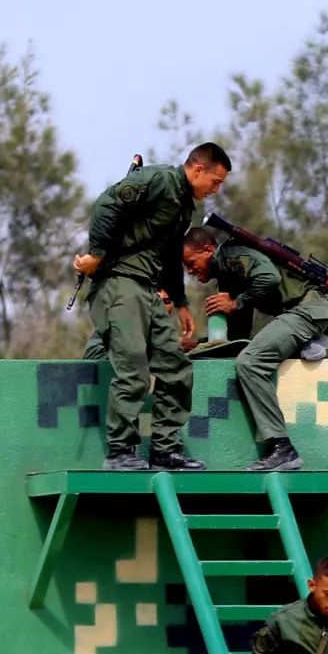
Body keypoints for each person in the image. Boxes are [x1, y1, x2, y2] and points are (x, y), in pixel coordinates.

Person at [75, 144, 232, 472]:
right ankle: (120, 451)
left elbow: (171, 254)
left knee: (176, 369)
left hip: (146, 288)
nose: (216, 189)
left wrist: (181, 302)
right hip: (119, 284)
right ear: (197, 170)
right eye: (215, 181)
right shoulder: (159, 180)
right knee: (133, 368)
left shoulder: (183, 207)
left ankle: (165, 449)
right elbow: (107, 203)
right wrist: (98, 255)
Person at [182, 226, 328, 473]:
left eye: (191, 262)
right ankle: (306, 344)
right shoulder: (228, 275)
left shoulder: (231, 254)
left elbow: (270, 277)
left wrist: (236, 303)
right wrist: (200, 344)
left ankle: (282, 447)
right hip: (305, 313)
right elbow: (237, 338)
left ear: (208, 249)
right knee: (248, 354)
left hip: (310, 309)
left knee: (250, 363)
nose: (190, 271)